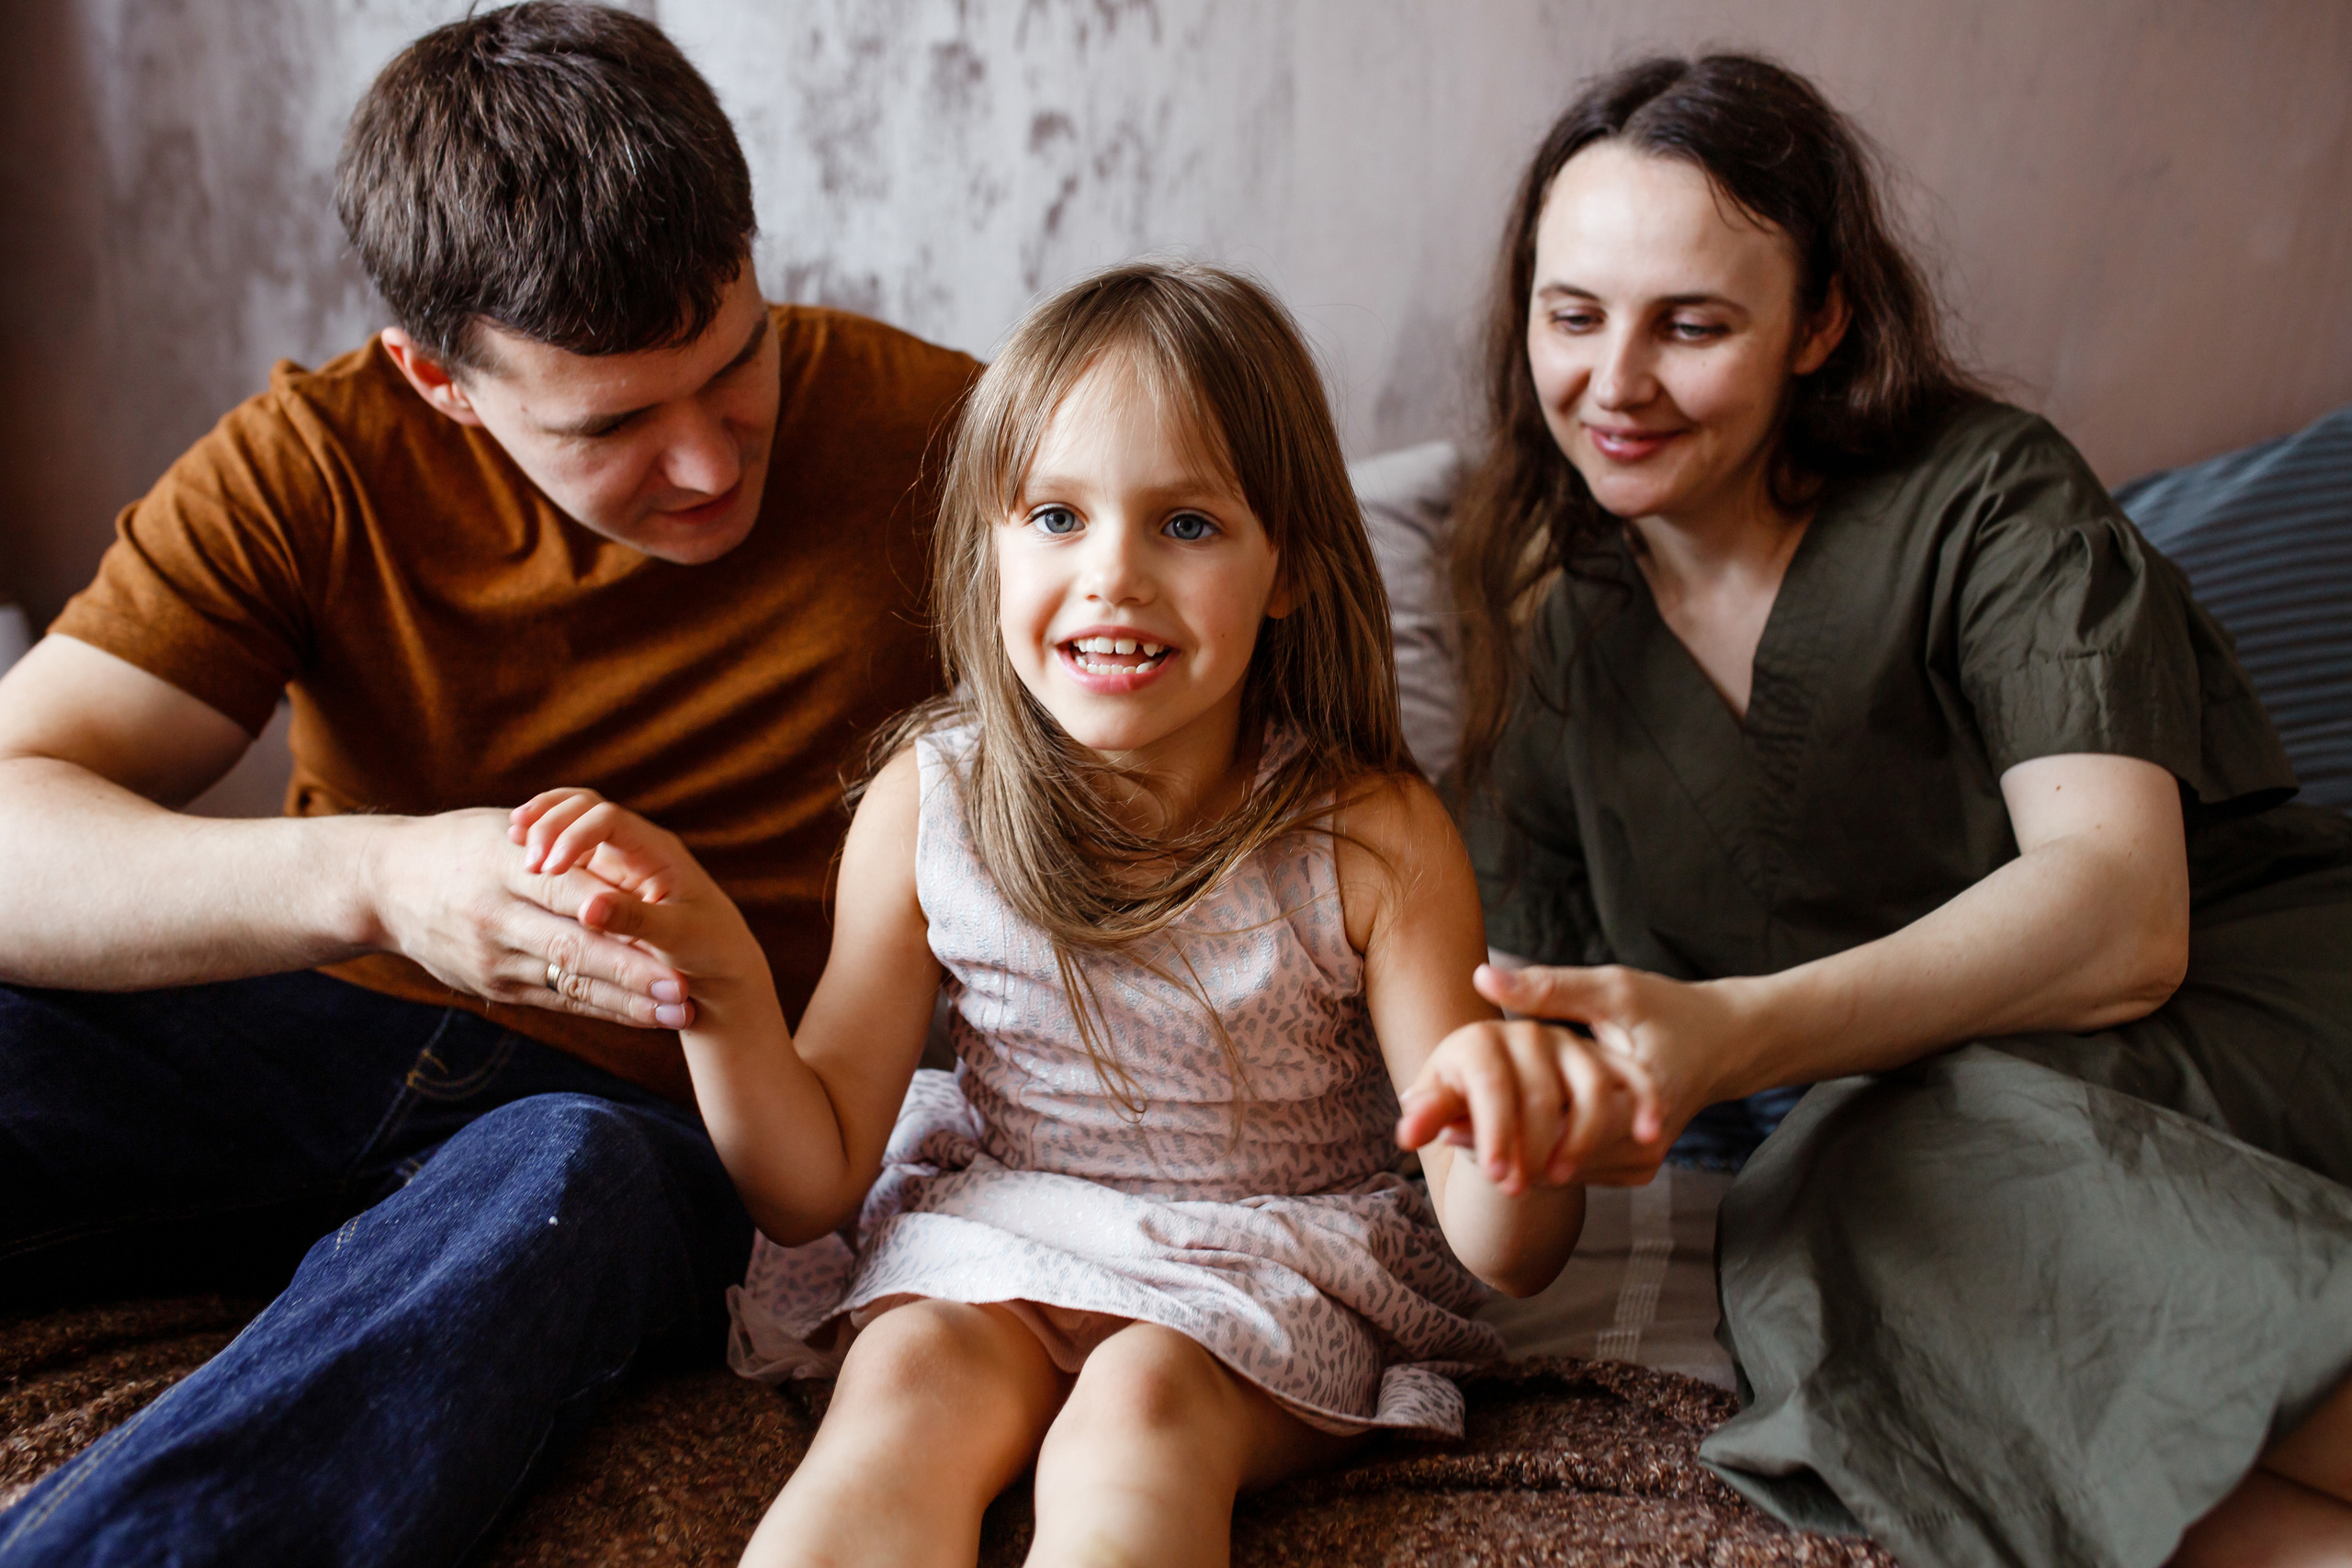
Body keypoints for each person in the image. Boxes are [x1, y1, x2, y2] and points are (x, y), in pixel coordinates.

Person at [0, 6, 977, 1564]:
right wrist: (381, 880)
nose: (715, 465)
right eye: (615, 425)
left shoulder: (953, 443)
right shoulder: (312, 466)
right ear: (436, 378)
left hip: (638, 1120)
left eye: (738, 367)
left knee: (561, 1177)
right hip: (314, 1033)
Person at [508, 261, 1642, 1567]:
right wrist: (718, 987)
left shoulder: (1372, 836)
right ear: (988, 547)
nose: (1113, 575)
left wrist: (1527, 1132)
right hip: (1015, 1222)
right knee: (908, 1376)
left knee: (1139, 1408)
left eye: (1187, 525)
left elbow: (1503, 1251)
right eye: (1055, 516)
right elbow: (810, 1181)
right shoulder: (929, 802)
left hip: (1261, 1266)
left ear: (1288, 569)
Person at [1446, 52, 2352, 1568]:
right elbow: (1531, 1051)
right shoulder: (1563, 630)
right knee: (1814, 1251)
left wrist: (1735, 1031)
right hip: (1921, 1133)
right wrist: (1530, 1112)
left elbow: (2123, 921)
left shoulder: (1989, 497)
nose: (1613, 382)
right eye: (1573, 312)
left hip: (2246, 1005)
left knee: (1892, 1158)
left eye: (1692, 323)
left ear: (1822, 322)